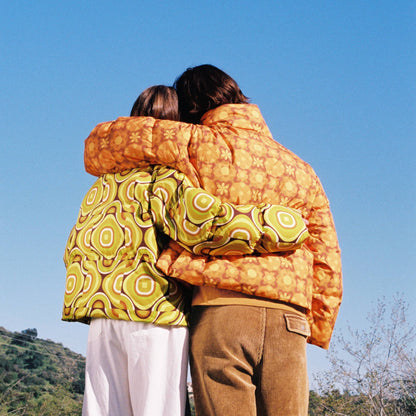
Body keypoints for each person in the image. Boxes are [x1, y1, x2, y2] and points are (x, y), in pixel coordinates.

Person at [82, 66, 343, 416]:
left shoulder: (193, 143)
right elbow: (326, 255)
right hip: (289, 319)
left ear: (192, 107)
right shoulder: (301, 168)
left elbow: (102, 145)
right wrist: (318, 324)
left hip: (221, 312)